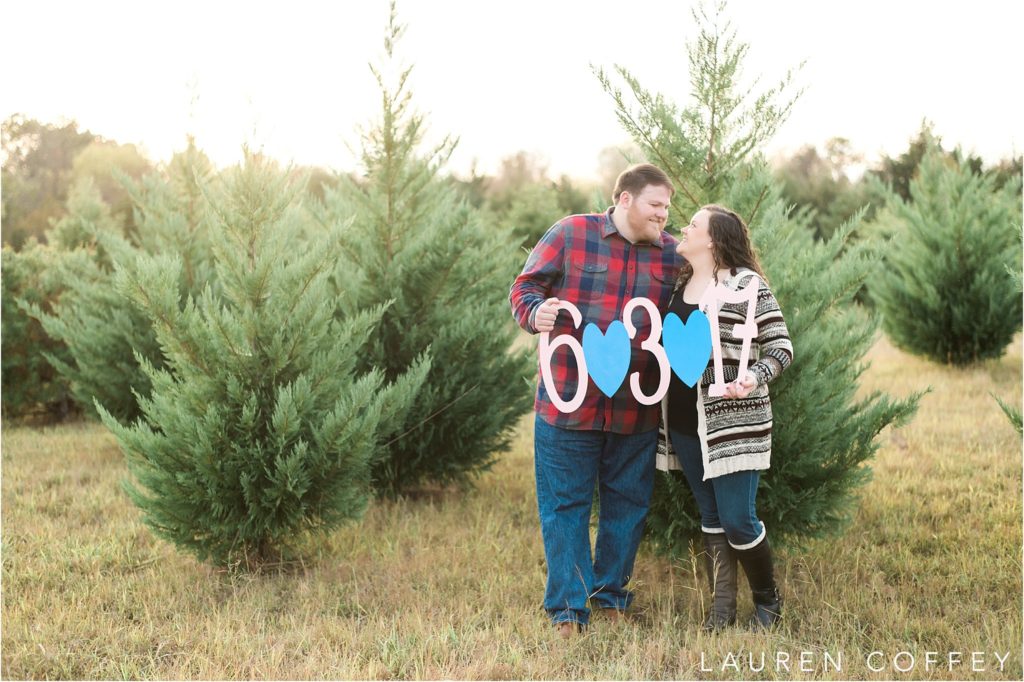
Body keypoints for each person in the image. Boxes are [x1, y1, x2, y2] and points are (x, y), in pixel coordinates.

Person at [509, 163, 682, 637]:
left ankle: (610, 597)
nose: (664, 216)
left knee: (627, 505)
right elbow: (524, 287)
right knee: (565, 505)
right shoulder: (571, 233)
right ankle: (567, 610)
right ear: (625, 200)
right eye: (656, 205)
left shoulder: (671, 255)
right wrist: (535, 310)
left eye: (668, 207)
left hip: (637, 406)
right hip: (568, 401)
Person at [658, 204, 793, 631]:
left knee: (738, 518)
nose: (684, 227)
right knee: (712, 517)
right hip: (682, 423)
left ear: (713, 239)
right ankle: (721, 610)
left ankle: (768, 602)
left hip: (732, 424)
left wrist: (754, 375)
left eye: (693, 225)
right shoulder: (678, 286)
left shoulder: (747, 287)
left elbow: (780, 348)